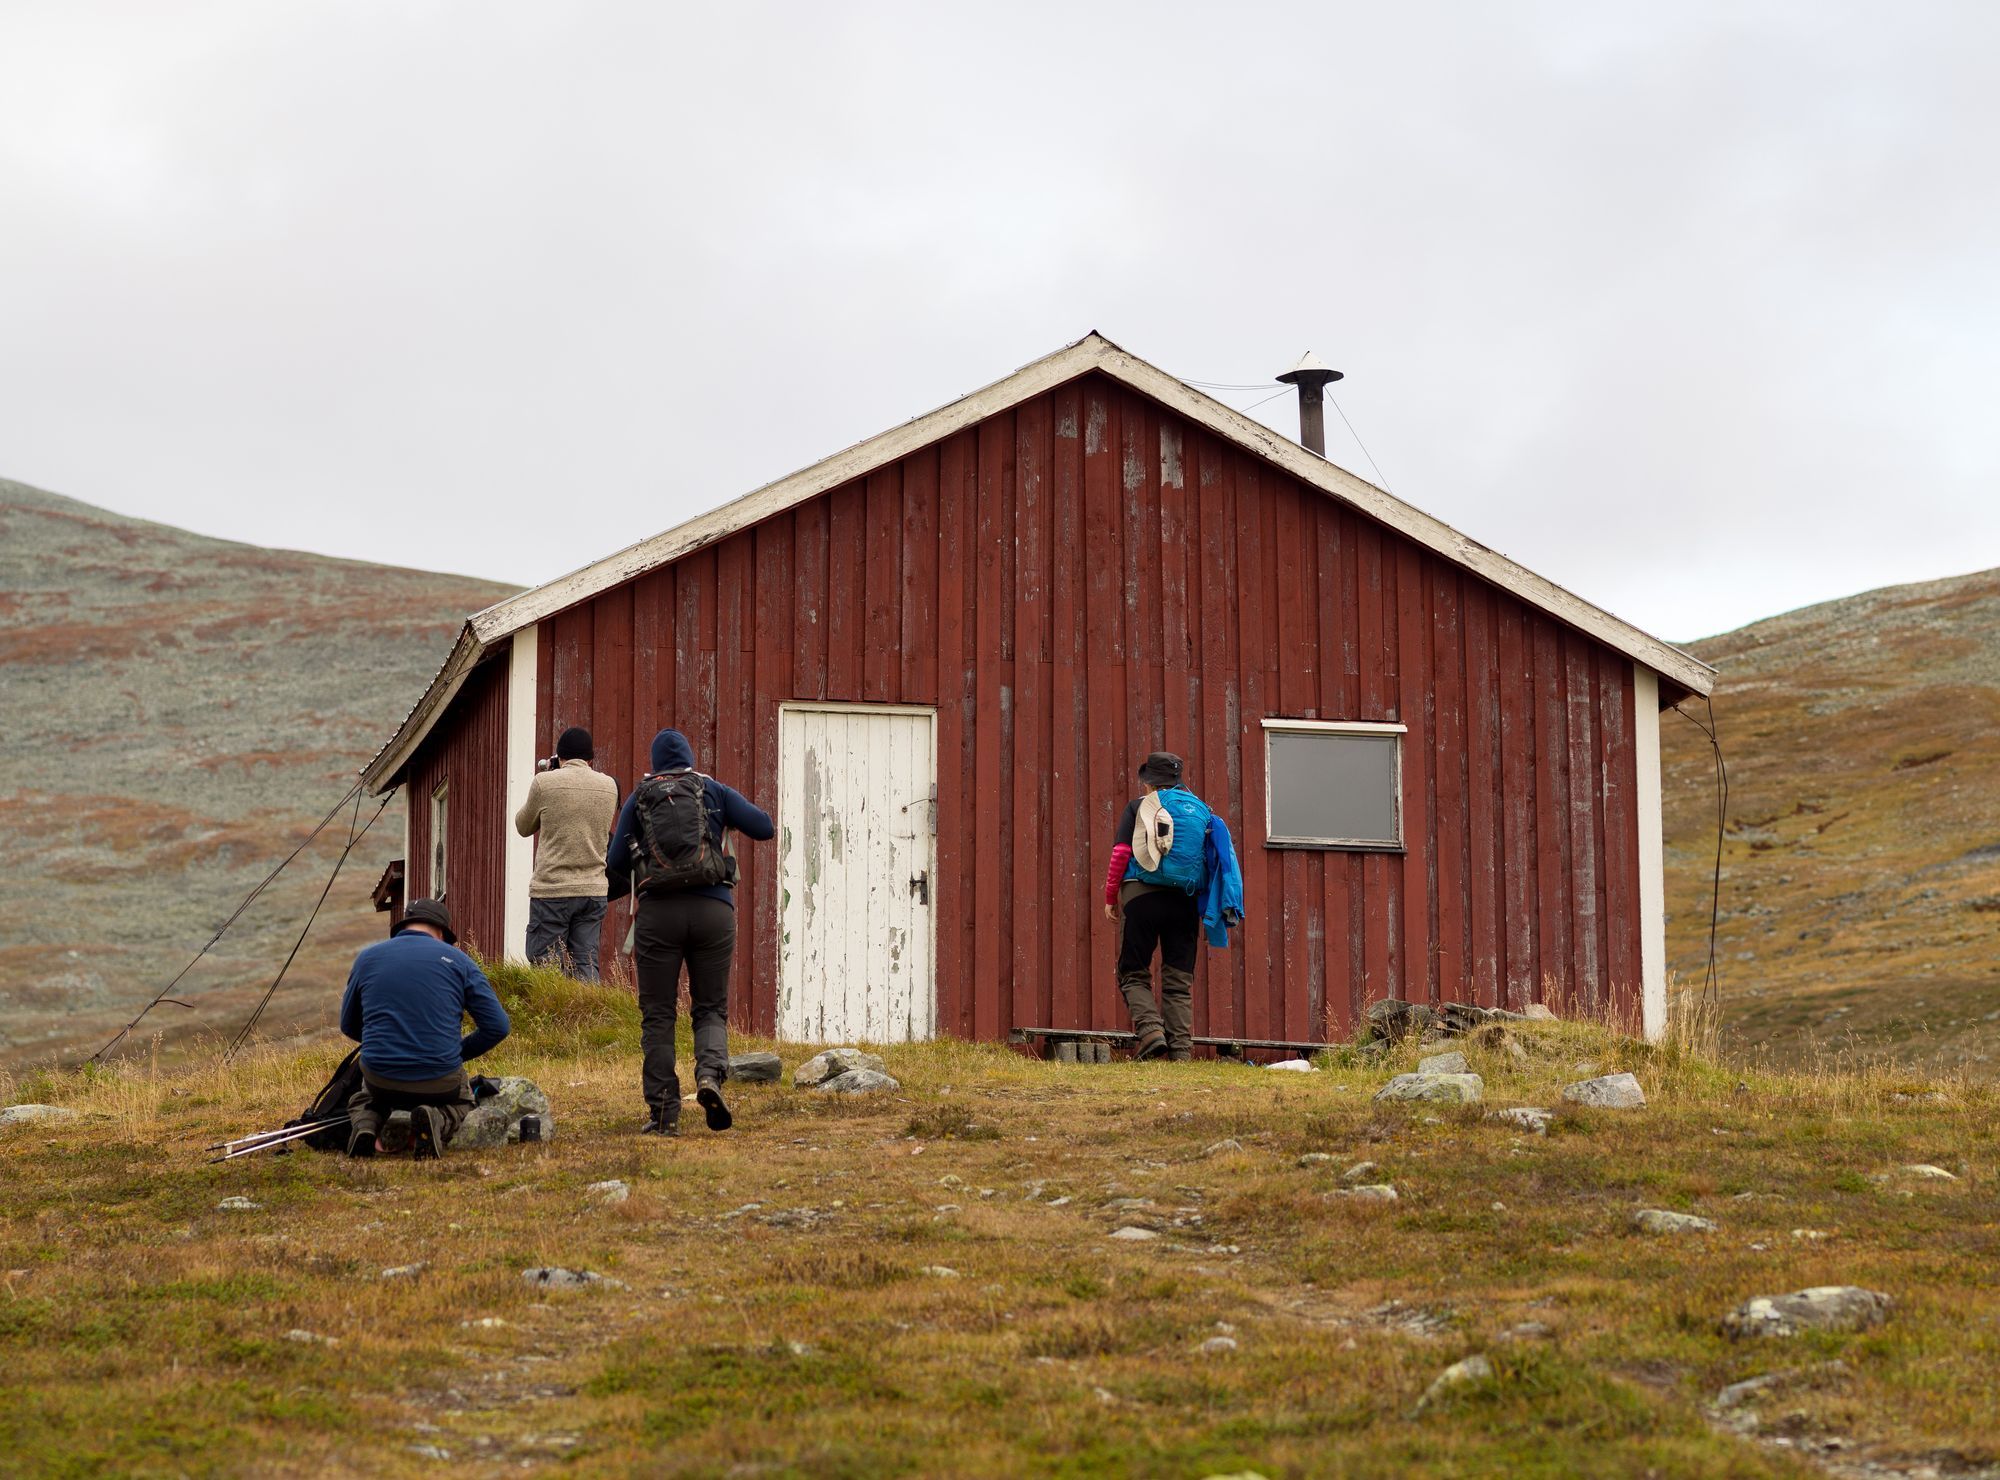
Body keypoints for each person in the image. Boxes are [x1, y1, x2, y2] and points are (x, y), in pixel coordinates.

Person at [606, 728, 774, 1136]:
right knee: (710, 1006)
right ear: (689, 758)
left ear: (654, 762)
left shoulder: (640, 796)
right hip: (713, 910)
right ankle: (710, 1077)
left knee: (659, 1014)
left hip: (658, 916)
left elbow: (614, 864)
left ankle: (664, 1114)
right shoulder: (711, 789)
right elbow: (764, 826)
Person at [337, 898, 511, 1158]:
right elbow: (498, 1026)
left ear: (404, 927)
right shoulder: (459, 962)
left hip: (380, 1079)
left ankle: (366, 1126)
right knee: (464, 1101)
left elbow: (348, 1025)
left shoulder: (367, 958)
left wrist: (384, 1042)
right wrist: (456, 1052)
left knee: (363, 1096)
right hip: (439, 1080)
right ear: (441, 933)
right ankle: (436, 1118)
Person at [1102, 751, 1237, 1061]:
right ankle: (1181, 1052)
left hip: (1141, 896)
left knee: (1133, 972)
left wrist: (1111, 897)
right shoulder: (1201, 811)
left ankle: (1150, 1032)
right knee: (1178, 979)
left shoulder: (1139, 806)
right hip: (1185, 901)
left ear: (1148, 782)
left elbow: (1121, 854)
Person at [514, 725, 620, 981]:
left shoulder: (544, 783)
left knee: (546, 964)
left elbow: (523, 826)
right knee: (587, 961)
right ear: (590, 758)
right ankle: (588, 1019)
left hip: (552, 888)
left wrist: (550, 777)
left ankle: (553, 1019)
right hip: (592, 889)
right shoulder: (609, 786)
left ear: (559, 757)